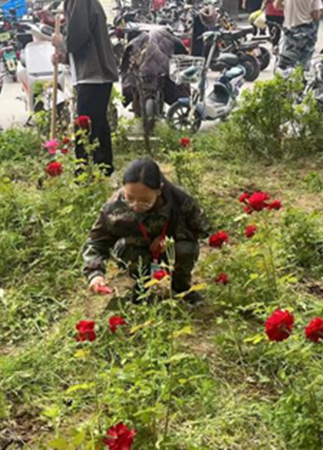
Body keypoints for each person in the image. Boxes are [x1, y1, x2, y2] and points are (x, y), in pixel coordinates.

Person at [82, 159, 210, 303]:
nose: (135, 206)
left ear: (159, 190)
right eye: (129, 198)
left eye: (145, 201)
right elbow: (96, 242)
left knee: (187, 249)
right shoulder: (114, 206)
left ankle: (181, 288)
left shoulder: (179, 200)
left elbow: (202, 229)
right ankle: (140, 287)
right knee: (125, 247)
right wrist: (95, 274)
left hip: (170, 251)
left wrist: (170, 238)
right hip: (135, 251)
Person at [52, 0, 119, 176]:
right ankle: (103, 168)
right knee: (97, 124)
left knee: (86, 125)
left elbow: (77, 38)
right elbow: (85, 43)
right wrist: (64, 57)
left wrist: (61, 43)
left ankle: (85, 172)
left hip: (93, 75)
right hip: (93, 74)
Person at [275, 0, 323, 71]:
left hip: (290, 30)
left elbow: (277, 6)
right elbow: (316, 15)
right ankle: (302, 77)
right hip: (306, 30)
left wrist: (288, 8)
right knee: (304, 60)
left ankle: (287, 76)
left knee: (287, 58)